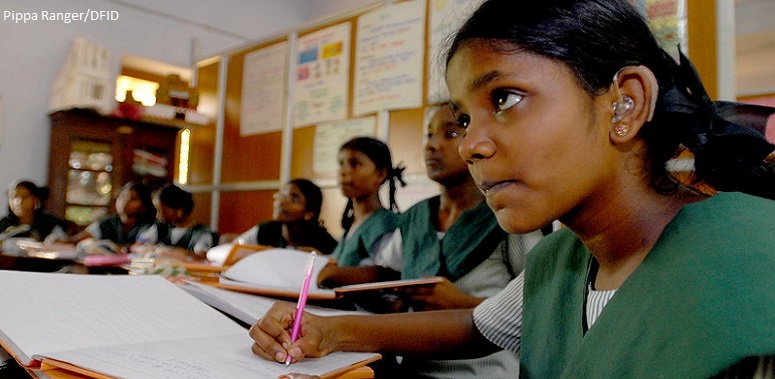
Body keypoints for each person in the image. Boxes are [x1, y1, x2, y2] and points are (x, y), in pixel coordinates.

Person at [249, 1, 775, 378]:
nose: (469, 146)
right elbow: (477, 326)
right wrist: (330, 331)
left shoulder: (754, 266)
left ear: (625, 104)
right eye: (462, 118)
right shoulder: (559, 261)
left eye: (505, 98)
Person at [318, 104, 542, 378]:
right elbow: (386, 271)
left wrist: (460, 302)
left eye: (450, 133)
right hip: (412, 366)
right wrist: (332, 275)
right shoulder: (416, 218)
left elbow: (539, 311)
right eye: (429, 135)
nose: (432, 145)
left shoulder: (510, 218)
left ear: (481, 142)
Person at [330, 137, 405, 267]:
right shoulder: (352, 224)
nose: (343, 172)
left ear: (380, 175)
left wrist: (328, 273)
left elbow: (383, 273)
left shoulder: (388, 225)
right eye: (341, 164)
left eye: (355, 164)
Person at [234, 179, 338, 255]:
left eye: (294, 199)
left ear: (309, 213)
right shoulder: (265, 230)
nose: (282, 202)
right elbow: (235, 249)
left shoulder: (324, 243)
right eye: (282, 195)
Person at [133, 183, 218, 261]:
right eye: (157, 211)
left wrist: (170, 252)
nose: (158, 216)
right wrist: (152, 249)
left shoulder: (201, 233)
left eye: (164, 211)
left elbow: (201, 257)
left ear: (180, 210)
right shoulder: (160, 228)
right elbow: (138, 245)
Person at [68, 181, 156, 253]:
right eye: (122, 196)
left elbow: (140, 248)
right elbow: (77, 240)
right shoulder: (108, 222)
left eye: (133, 199)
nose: (125, 202)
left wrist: (105, 246)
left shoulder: (149, 225)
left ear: (144, 205)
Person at [0, 180, 70, 251]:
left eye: (25, 197)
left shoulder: (51, 224)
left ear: (35, 199)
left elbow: (61, 248)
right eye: (13, 197)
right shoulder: (2, 224)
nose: (18, 202)